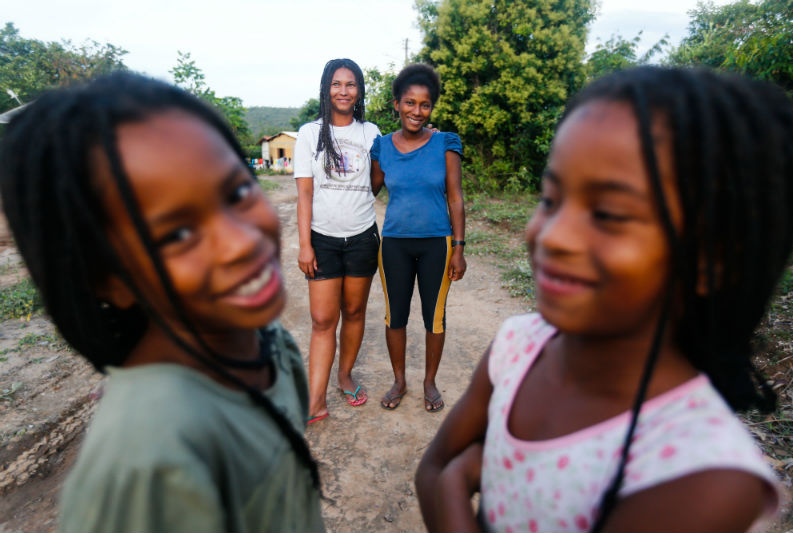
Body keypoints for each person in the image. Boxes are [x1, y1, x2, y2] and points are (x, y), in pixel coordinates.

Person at [415, 66, 793, 532]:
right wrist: (448, 476)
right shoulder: (519, 346)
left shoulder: (703, 476)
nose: (554, 236)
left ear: (711, 258)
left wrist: (456, 483)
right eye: (551, 198)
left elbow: (443, 474)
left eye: (609, 214)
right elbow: (429, 470)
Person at [0, 73, 324, 532]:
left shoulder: (268, 342)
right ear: (109, 281)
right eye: (177, 234)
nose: (239, 242)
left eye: (235, 193)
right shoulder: (146, 459)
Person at [370, 63, 466, 412]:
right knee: (395, 315)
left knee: (434, 316)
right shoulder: (381, 146)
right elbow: (371, 188)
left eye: (425, 105)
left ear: (432, 108)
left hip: (436, 245)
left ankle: (429, 382)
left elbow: (455, 197)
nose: (417, 111)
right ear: (396, 104)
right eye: (409, 103)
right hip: (394, 243)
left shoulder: (445, 142)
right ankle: (399, 380)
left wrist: (459, 248)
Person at [294, 58, 381, 422]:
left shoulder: (371, 133)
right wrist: (305, 244)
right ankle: (316, 400)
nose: (343, 91)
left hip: (362, 237)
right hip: (323, 240)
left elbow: (377, 183)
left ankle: (344, 376)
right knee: (322, 320)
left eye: (351, 84)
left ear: (359, 91)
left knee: (355, 312)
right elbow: (304, 195)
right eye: (336, 84)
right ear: (326, 89)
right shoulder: (310, 134)